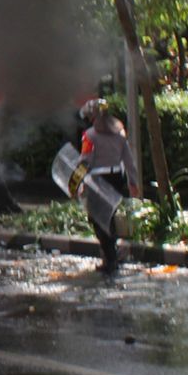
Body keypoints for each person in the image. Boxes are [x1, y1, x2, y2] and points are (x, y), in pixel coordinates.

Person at [78, 99, 140, 276]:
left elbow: (85, 162)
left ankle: (111, 259)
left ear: (92, 116)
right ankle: (111, 256)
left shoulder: (89, 136)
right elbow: (129, 160)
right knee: (110, 217)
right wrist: (133, 183)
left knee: (98, 220)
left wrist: (77, 183)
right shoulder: (120, 134)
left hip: (98, 180)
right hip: (116, 179)